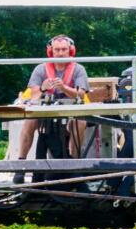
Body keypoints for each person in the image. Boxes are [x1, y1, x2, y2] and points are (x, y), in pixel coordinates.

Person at [12, 35, 89, 183]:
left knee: (80, 122)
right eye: (57, 50)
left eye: (64, 50)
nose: (60, 53)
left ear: (70, 51)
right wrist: (43, 87)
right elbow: (32, 94)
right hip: (44, 111)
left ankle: (74, 165)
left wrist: (64, 88)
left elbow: (81, 94)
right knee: (29, 121)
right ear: (51, 51)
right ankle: (20, 166)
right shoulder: (40, 69)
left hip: (71, 111)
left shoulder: (79, 69)